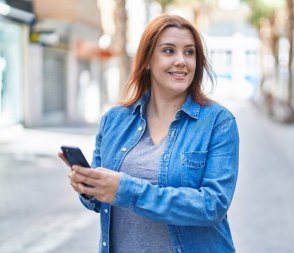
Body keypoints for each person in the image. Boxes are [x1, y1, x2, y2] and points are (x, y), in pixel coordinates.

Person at [59, 14, 239, 253]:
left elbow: (212, 205)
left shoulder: (218, 122)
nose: (181, 61)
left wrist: (126, 190)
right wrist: (87, 186)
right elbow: (102, 200)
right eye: (168, 51)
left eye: (189, 52)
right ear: (146, 61)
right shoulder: (114, 120)